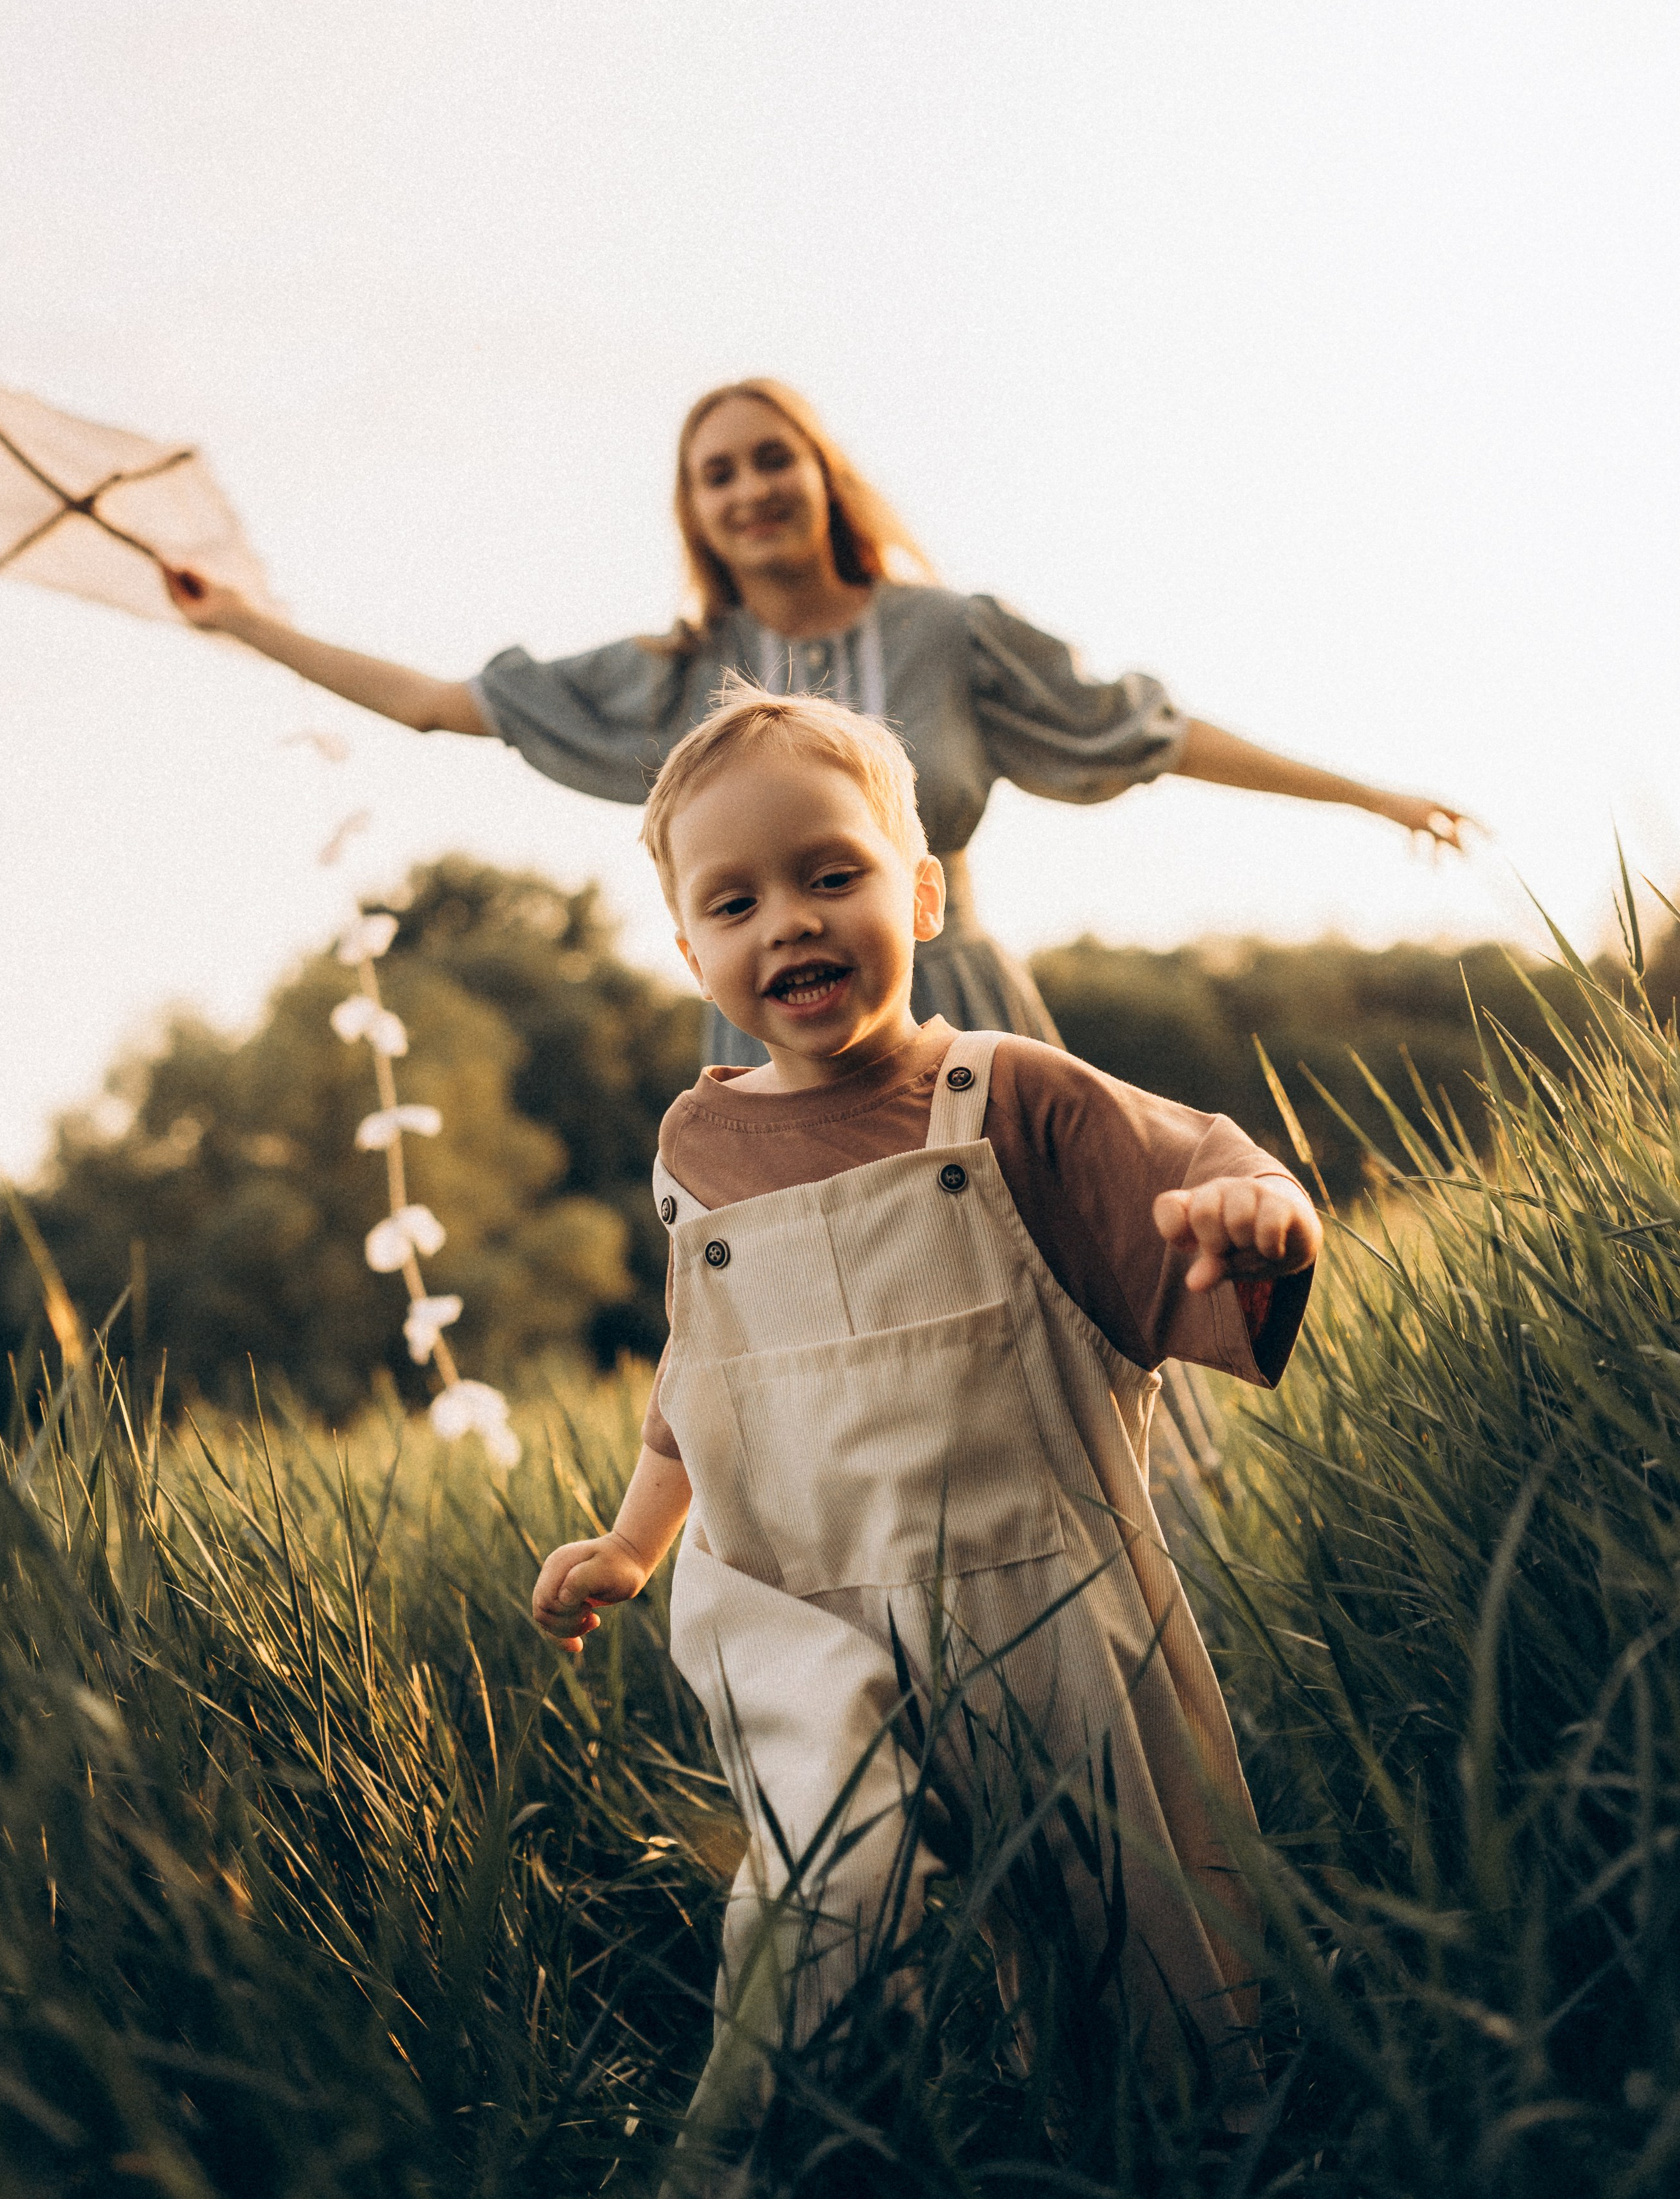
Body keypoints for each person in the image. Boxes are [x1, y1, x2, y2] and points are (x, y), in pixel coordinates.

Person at [531, 684, 1322, 2142]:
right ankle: (811, 2150)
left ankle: (1161, 2147)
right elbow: (700, 1369)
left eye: (830, 874)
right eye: (737, 900)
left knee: (1138, 1942)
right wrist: (636, 1542)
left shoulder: (1007, 1098)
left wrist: (1256, 1215)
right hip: (795, 1603)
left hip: (1043, 1589)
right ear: (690, 946)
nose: (790, 922)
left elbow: (1211, 1155)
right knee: (818, 1898)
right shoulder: (694, 1145)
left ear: (922, 888)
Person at [166, 377, 1473, 1069]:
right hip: (766, 1038)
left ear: (820, 473)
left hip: (956, 1005)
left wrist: (1369, 797)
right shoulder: (678, 675)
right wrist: (239, 620)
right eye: (717, 472)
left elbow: (1153, 735)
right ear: (696, 511)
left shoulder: (946, 633)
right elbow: (442, 707)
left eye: (770, 457)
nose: (750, 488)